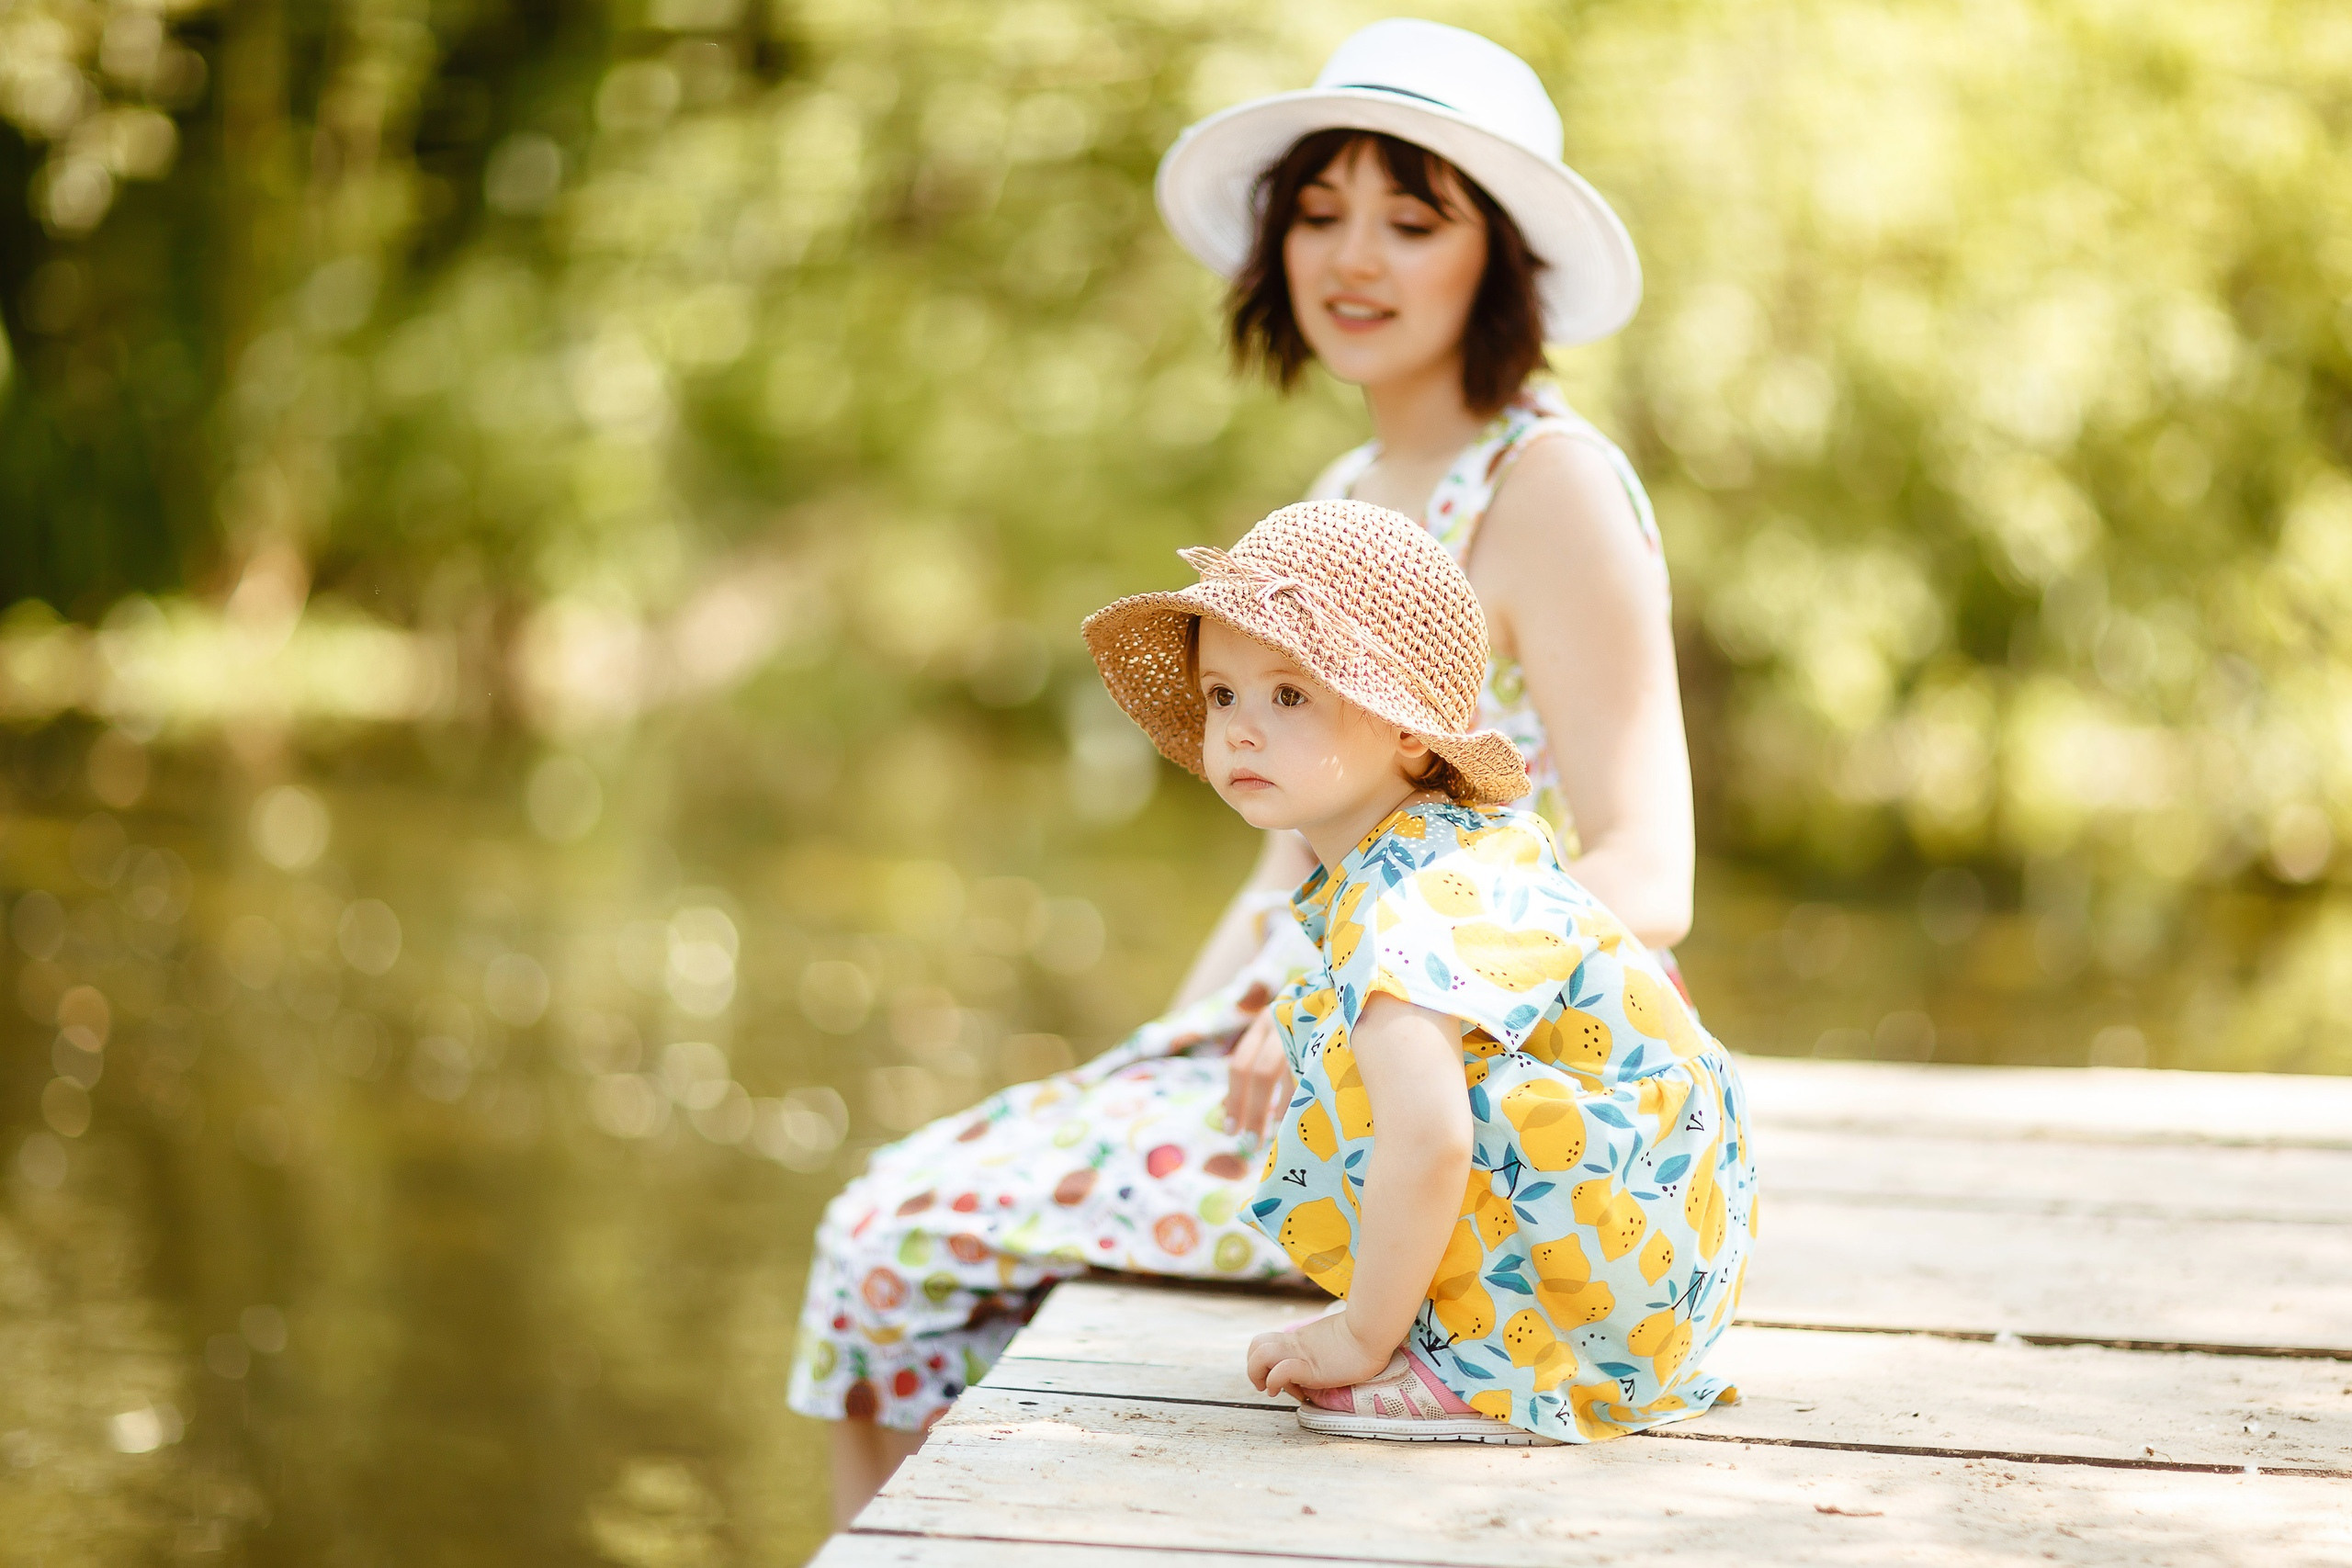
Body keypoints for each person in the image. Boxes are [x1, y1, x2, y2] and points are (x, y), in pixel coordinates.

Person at [791, 13, 1698, 1510]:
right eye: (1321, 213)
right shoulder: (1350, 487)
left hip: (1482, 1084)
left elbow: (1647, 872)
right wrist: (1186, 1037)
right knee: (911, 1227)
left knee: (889, 1238)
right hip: (1332, 1036)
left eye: (1413, 220)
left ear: (1498, 263)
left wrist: (1371, 996)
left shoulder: (1556, 488)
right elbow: (1291, 854)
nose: (1356, 257)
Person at [1081, 499, 1754, 1442]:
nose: (1236, 728)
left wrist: (1359, 1334)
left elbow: (1433, 1137)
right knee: (1331, 1023)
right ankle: (1475, 1330)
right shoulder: (1436, 843)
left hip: (1614, 1260)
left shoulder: (1404, 899)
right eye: (1221, 694)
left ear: (1405, 732)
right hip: (1653, 1249)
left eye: (1288, 696)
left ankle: (1477, 1365)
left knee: (1376, 1064)